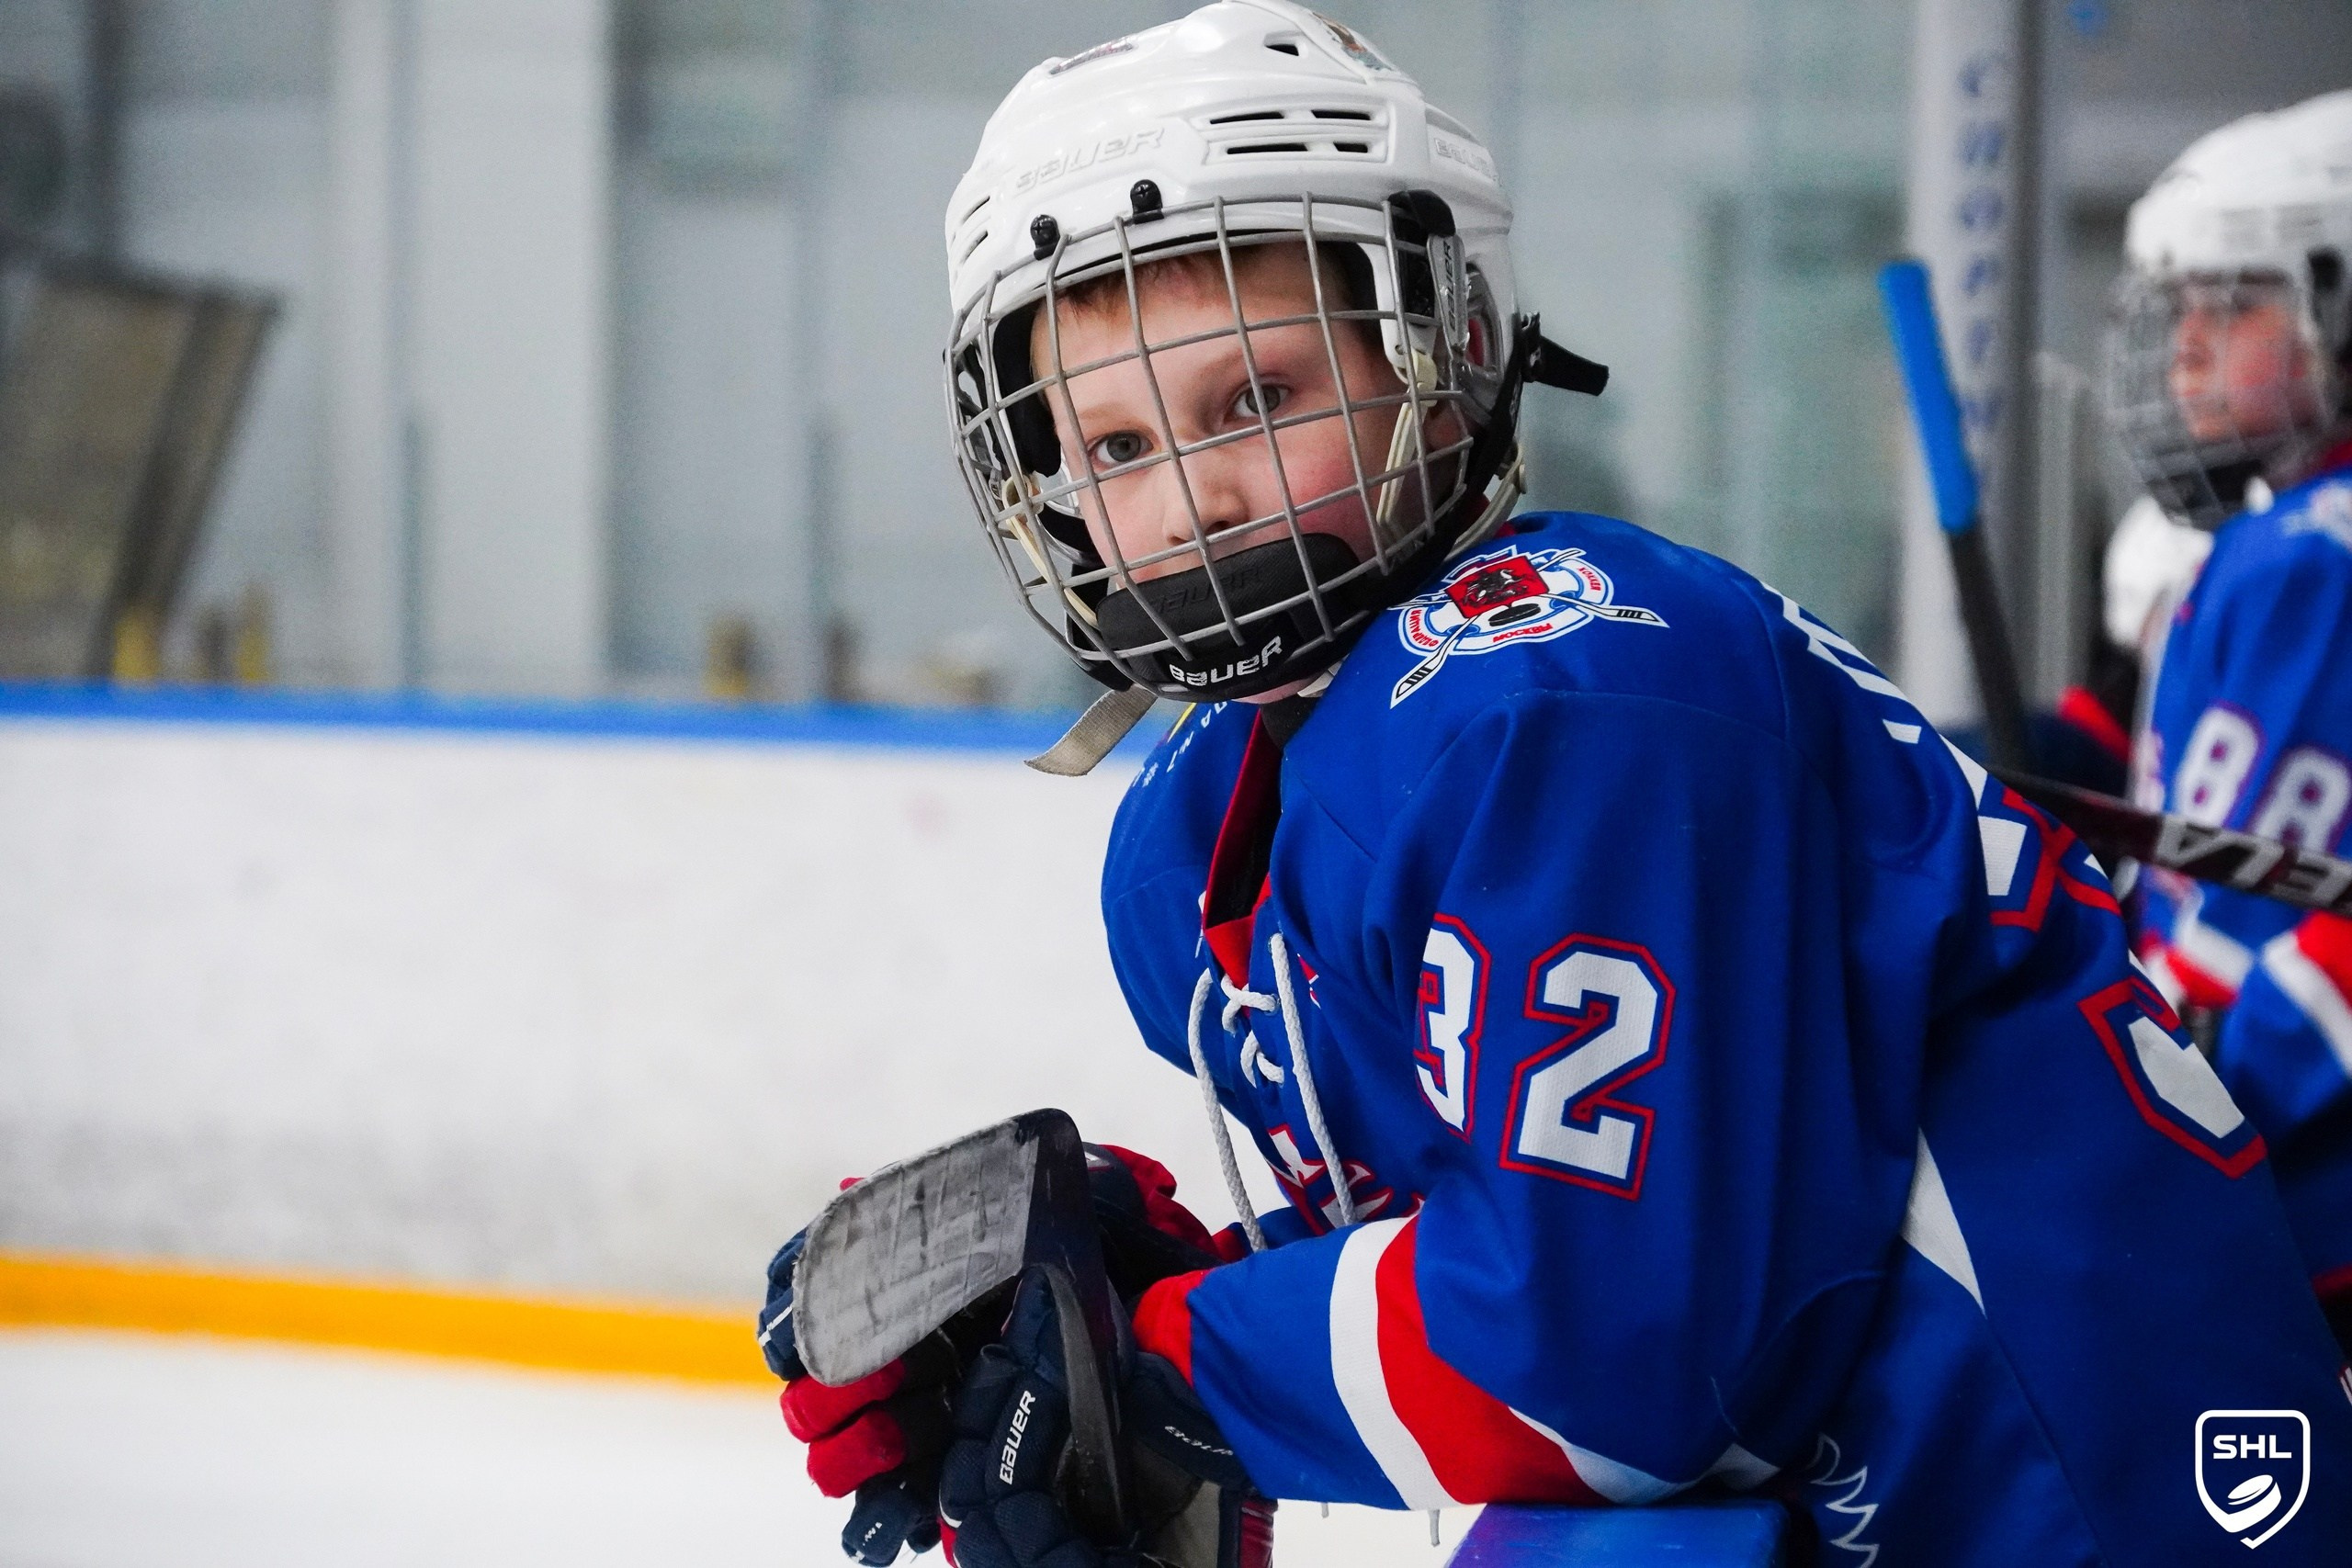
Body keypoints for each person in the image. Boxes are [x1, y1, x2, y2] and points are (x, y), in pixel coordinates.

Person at [770, 9, 2352, 1563]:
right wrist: (1145, 1292)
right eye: (1116, 447)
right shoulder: (1192, 829)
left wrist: (1171, 1368)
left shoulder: (1565, 700)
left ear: (1443, 352)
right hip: (1822, 1489)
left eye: (1255, 400)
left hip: (2069, 1493)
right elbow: (1502, 1227)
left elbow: (1617, 1366)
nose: (1195, 498)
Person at [2106, 89, 2352, 1347]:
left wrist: (2158, 1108)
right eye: (2184, 308)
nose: (2189, 346)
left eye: (2235, 304)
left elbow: (2252, 923)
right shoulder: (2275, 538)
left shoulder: (2308, 558)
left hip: (2306, 1218)